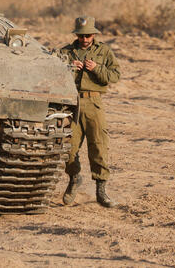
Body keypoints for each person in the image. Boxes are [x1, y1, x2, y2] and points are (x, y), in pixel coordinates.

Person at [58, 16, 120, 208]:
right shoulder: (66, 52)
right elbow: (53, 74)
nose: (85, 39)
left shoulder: (103, 51)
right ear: (76, 34)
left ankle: (101, 189)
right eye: (81, 35)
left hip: (94, 103)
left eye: (88, 36)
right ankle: (74, 178)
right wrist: (68, 68)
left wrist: (97, 68)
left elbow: (115, 75)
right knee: (68, 148)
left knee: (99, 147)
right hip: (72, 105)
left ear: (94, 34)